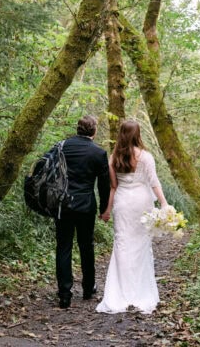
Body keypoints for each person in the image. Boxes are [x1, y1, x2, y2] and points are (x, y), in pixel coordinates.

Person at [96, 119, 169, 315]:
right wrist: (164, 204)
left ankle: (119, 294)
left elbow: (113, 187)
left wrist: (107, 210)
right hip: (141, 202)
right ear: (138, 135)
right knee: (141, 246)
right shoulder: (146, 157)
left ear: (121, 134)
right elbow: (154, 182)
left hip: (123, 202)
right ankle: (140, 292)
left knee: (122, 244)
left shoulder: (113, 158)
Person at [55, 115, 110, 309]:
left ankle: (64, 294)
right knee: (86, 246)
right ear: (94, 131)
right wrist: (104, 208)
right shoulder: (98, 153)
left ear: (77, 129)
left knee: (63, 246)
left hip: (62, 204)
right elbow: (104, 185)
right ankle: (88, 288)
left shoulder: (61, 147)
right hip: (86, 205)